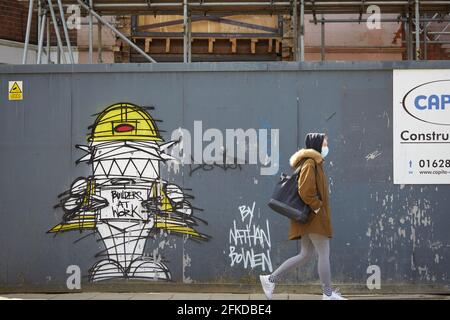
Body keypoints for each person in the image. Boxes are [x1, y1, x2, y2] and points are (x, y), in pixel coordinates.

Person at [260, 133, 347, 300]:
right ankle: (328, 294)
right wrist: (317, 207)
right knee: (323, 254)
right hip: (314, 218)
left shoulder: (314, 163)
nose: (327, 146)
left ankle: (270, 279)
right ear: (317, 144)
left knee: (305, 254)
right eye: (325, 143)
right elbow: (305, 190)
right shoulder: (310, 163)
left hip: (309, 218)